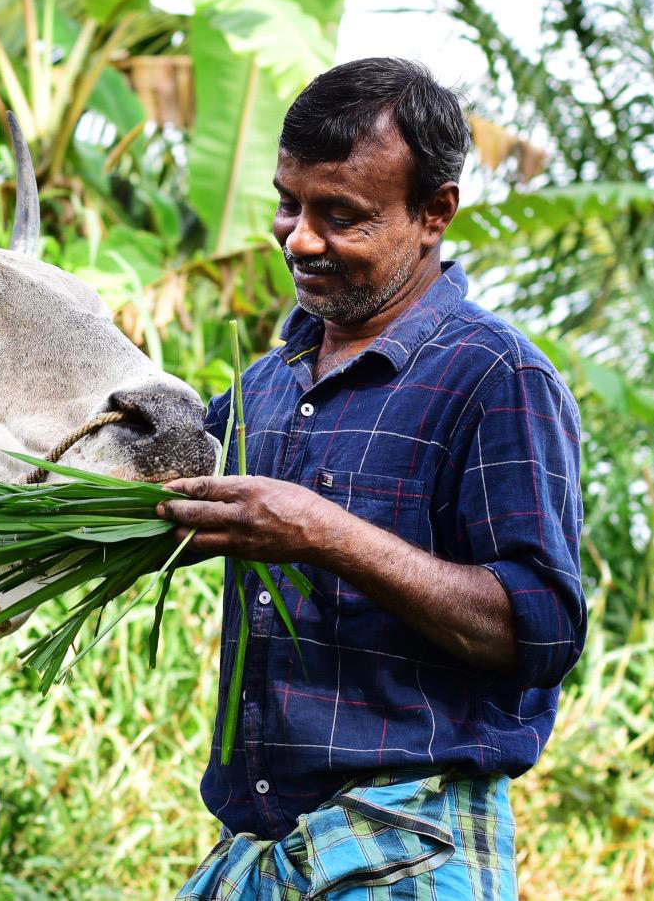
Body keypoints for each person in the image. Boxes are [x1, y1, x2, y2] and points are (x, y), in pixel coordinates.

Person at [156, 57, 586, 900]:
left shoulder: (496, 377)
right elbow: (152, 501)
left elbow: (539, 632)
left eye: (340, 215)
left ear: (435, 213)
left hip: (410, 854)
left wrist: (321, 531)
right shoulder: (263, 388)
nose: (300, 238)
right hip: (259, 854)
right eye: (289, 202)